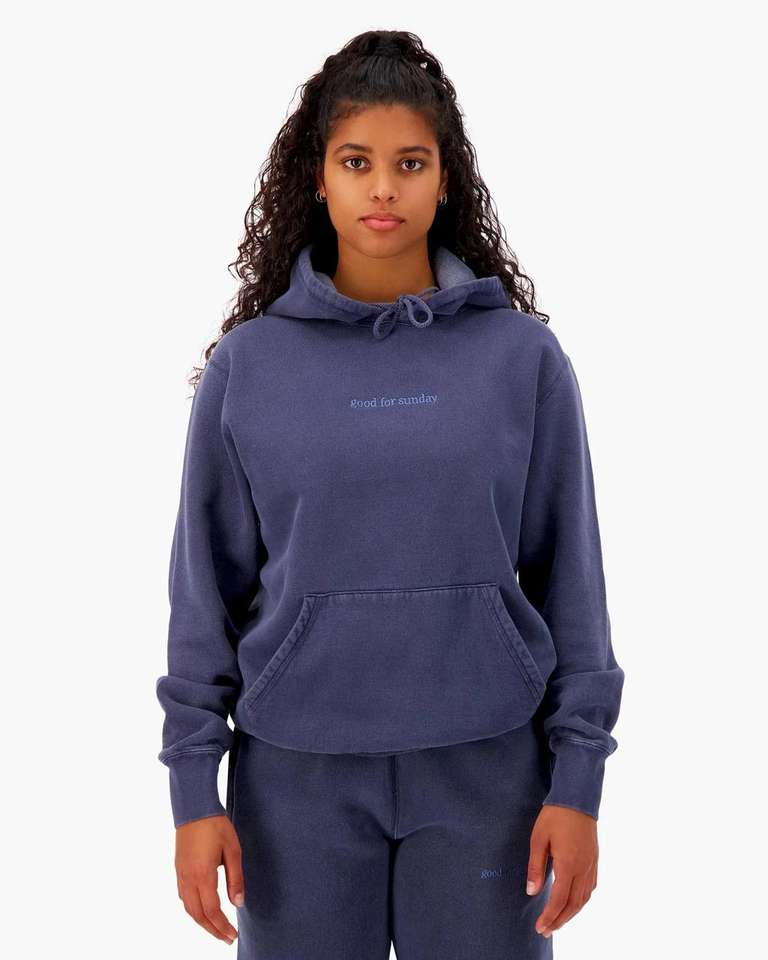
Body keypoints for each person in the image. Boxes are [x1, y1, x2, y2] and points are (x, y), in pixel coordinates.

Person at [155, 28, 624, 960]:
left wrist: (579, 782)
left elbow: (571, 577)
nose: (382, 188)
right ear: (318, 179)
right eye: (356, 162)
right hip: (297, 781)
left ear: (445, 181)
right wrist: (191, 792)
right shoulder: (250, 368)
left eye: (410, 163)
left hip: (490, 772)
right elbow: (203, 593)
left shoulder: (521, 360)